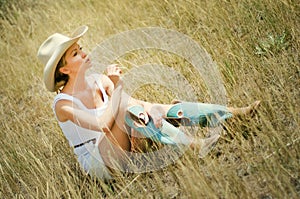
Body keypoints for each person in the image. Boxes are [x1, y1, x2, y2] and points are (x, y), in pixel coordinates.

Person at [37, 25, 260, 180]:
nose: (84, 54)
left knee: (152, 108)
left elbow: (134, 104)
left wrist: (153, 110)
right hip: (101, 163)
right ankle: (197, 146)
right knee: (126, 108)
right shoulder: (62, 105)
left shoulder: (98, 80)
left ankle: (234, 114)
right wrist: (119, 86)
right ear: (64, 69)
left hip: (127, 146)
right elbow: (103, 125)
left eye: (81, 48)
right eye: (76, 54)